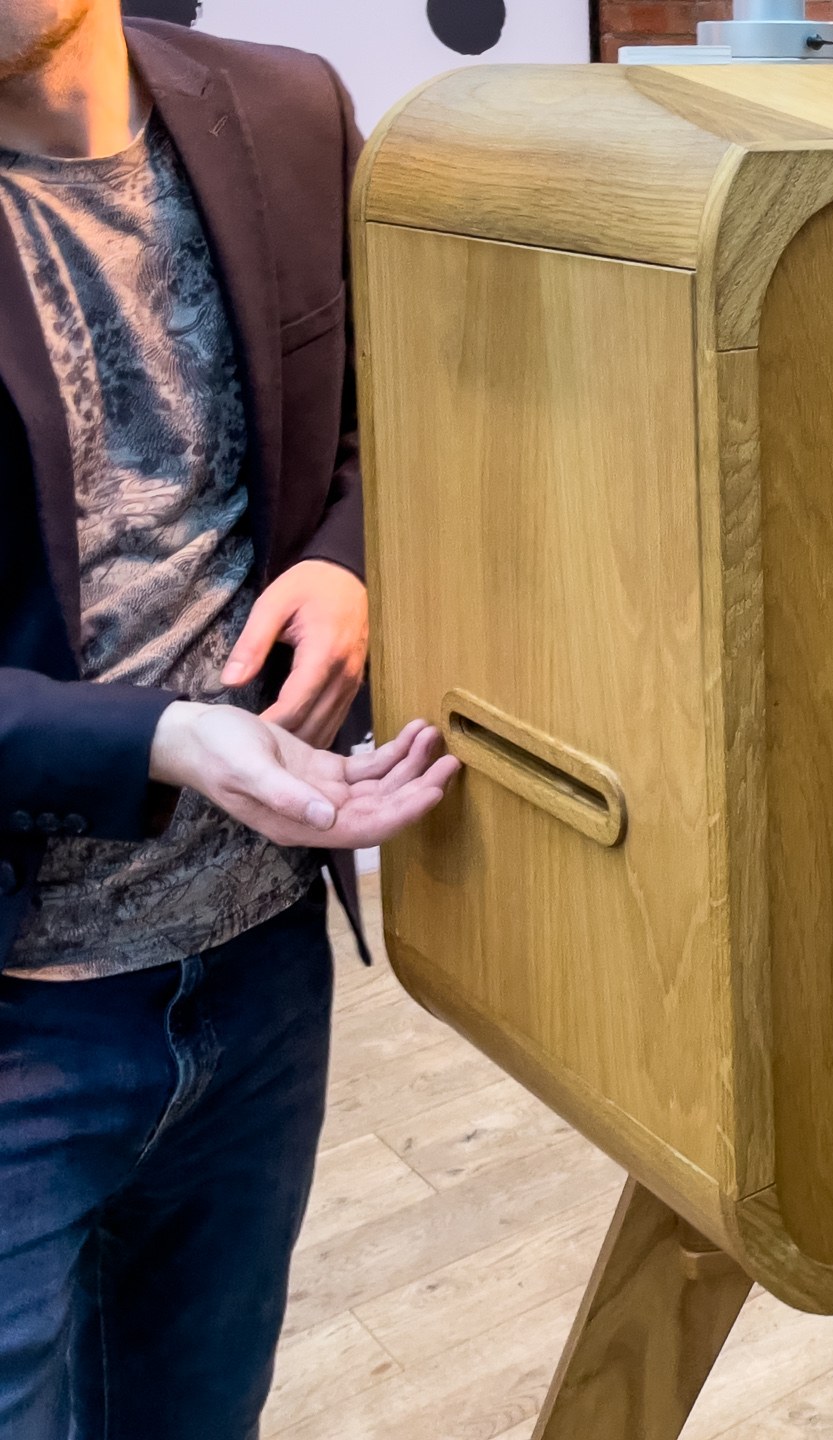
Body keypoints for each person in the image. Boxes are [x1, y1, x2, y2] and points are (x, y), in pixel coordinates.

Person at [0, 5, 456, 1438]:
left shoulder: (290, 112)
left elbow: (415, 410)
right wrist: (154, 740)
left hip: (259, 970)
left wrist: (353, 559)